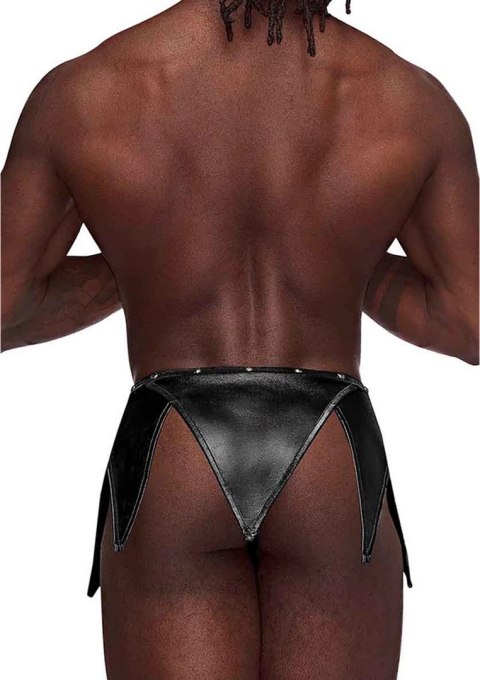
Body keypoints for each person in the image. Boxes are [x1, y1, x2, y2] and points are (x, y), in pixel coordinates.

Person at [2, 1, 478, 678]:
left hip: (173, 447)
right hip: (329, 451)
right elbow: (467, 319)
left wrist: (143, 262)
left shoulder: (84, 92)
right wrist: (341, 259)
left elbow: (9, 305)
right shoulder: (410, 100)